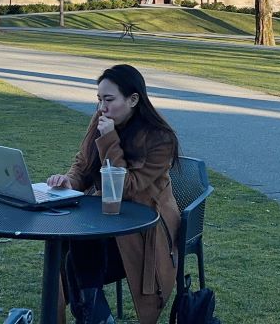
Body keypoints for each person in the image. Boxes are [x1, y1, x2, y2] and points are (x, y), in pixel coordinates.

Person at [47, 64, 181, 324]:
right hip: (106, 221)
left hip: (144, 228)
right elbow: (83, 165)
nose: (102, 108)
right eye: (99, 100)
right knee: (77, 244)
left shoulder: (160, 138)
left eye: (109, 100)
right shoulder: (100, 120)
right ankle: (96, 317)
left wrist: (109, 139)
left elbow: (125, 188)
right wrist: (68, 181)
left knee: (77, 257)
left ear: (133, 100)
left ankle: (93, 317)